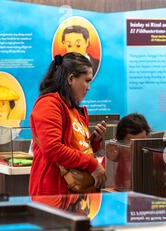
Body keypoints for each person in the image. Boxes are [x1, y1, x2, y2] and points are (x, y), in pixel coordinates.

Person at [29, 52, 107, 196]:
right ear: (71, 79)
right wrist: (92, 165)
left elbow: (74, 146)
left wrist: (93, 141)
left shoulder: (72, 107)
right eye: (87, 81)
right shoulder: (49, 104)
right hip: (52, 193)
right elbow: (53, 148)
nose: (89, 87)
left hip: (72, 194)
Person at [105, 113, 151, 191]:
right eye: (131, 145)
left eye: (142, 143)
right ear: (118, 143)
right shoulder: (112, 158)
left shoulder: (151, 156)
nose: (137, 150)